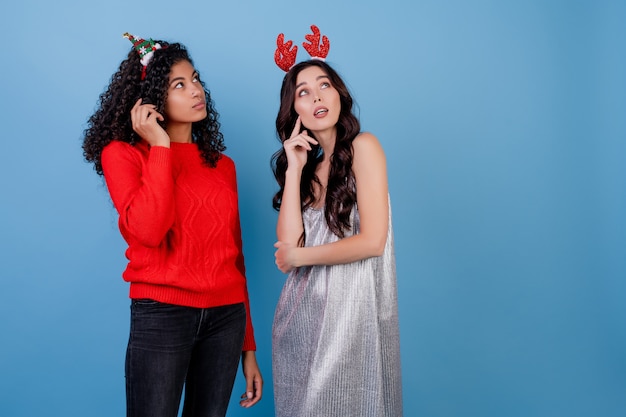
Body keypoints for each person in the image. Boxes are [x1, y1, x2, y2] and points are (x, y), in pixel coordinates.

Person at [82, 33, 262, 417]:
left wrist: (249, 348)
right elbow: (148, 231)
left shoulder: (222, 166)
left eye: (195, 79)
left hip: (227, 318)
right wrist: (161, 148)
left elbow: (235, 258)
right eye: (179, 85)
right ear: (150, 101)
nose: (196, 90)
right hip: (162, 314)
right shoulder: (124, 155)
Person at [270, 26, 403, 417]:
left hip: (352, 319)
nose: (317, 97)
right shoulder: (309, 172)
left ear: (339, 95)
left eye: (324, 85)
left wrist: (298, 258)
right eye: (303, 92)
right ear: (294, 110)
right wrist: (294, 169)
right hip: (303, 320)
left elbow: (372, 241)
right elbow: (287, 241)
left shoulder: (364, 147)